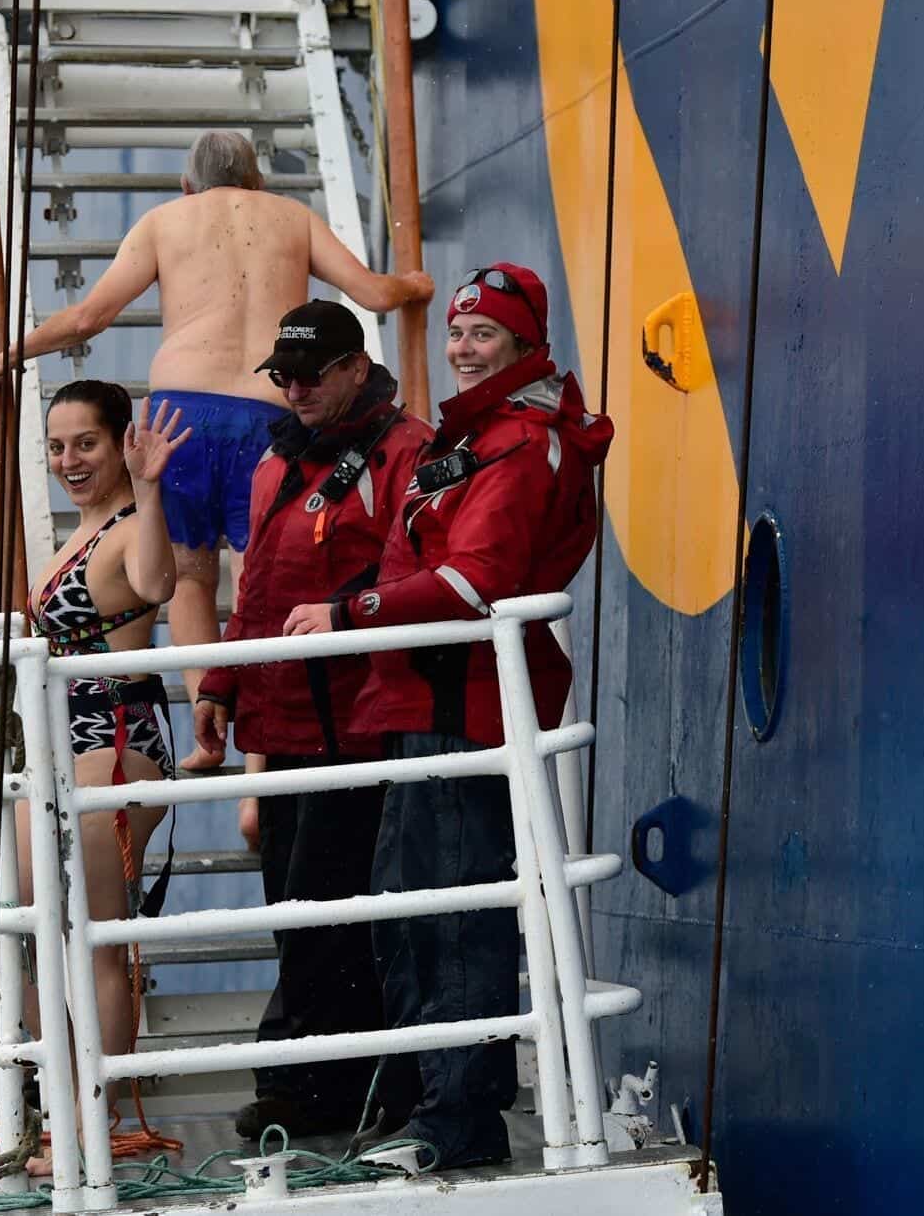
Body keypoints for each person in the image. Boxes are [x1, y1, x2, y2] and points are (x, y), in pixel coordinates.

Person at [281, 264, 613, 1169]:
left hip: (465, 703)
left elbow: (477, 581)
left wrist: (353, 614)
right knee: (409, 909)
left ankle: (460, 1121)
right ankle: (431, 1104)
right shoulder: (474, 439)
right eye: (458, 334)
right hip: (421, 697)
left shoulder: (523, 442)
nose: (463, 350)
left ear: (523, 345)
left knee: (458, 915)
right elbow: (419, 564)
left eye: (484, 337)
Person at [0, 131, 435, 765]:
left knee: (190, 578)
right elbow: (376, 295)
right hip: (270, 417)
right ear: (258, 182)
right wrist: (413, 286)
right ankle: (259, 759)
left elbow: (88, 319)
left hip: (179, 416)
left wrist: (8, 356)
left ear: (187, 186)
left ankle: (205, 730)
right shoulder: (292, 218)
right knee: (258, 579)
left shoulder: (165, 222)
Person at [188, 300, 433, 1140]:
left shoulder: (406, 452)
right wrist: (221, 683)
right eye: (282, 376)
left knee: (341, 909)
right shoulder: (275, 465)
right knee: (300, 911)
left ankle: (315, 1086)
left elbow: (413, 570)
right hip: (285, 724)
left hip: (362, 726)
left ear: (355, 368)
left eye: (308, 374)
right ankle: (328, 1087)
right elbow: (254, 588)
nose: (292, 389)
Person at [17, 381, 190, 1146]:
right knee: (33, 932)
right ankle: (53, 1103)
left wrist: (150, 490)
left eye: (85, 443)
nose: (68, 460)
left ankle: (100, 1111)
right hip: (60, 746)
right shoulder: (78, 532)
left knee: (97, 936)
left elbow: (157, 583)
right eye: (56, 446)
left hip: (113, 742)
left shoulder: (126, 529)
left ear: (120, 441)